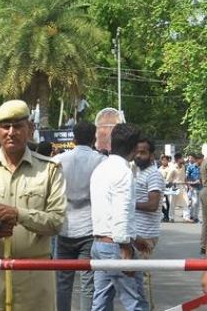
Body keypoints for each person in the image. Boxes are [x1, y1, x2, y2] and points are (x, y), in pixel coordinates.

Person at [0, 100, 66, 311]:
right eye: (5, 126)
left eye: (18, 126)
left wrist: (20, 215)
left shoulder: (49, 170)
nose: (11, 132)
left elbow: (57, 221)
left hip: (33, 275)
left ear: (30, 129)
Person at [90, 123, 148, 310]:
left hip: (99, 243)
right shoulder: (123, 172)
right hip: (115, 245)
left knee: (101, 301)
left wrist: (135, 239)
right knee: (135, 302)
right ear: (134, 148)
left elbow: (109, 212)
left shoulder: (101, 169)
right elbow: (121, 212)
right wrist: (126, 249)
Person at [54, 121, 105, 311]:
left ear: (73, 139)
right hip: (90, 227)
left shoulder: (58, 160)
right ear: (94, 138)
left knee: (62, 282)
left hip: (64, 226)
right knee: (88, 283)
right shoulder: (101, 161)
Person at [133, 137, 164, 309]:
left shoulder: (154, 175)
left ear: (152, 155)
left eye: (143, 152)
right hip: (137, 231)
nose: (138, 155)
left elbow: (153, 205)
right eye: (137, 152)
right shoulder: (139, 172)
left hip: (146, 233)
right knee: (136, 277)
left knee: (142, 277)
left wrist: (128, 203)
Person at [167, 154, 188, 222]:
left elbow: (184, 177)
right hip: (175, 187)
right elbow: (168, 179)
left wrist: (187, 185)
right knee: (173, 203)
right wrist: (172, 184)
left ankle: (186, 217)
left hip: (182, 186)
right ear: (177, 160)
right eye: (182, 158)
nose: (183, 160)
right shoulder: (172, 168)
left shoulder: (183, 167)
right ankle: (171, 217)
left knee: (186, 201)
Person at [187, 153, 202, 223]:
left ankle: (196, 217)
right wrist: (189, 186)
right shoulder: (190, 167)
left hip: (201, 187)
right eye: (200, 159)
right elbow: (186, 178)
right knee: (194, 202)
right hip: (193, 187)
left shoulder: (202, 167)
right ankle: (191, 215)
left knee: (198, 203)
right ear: (197, 159)